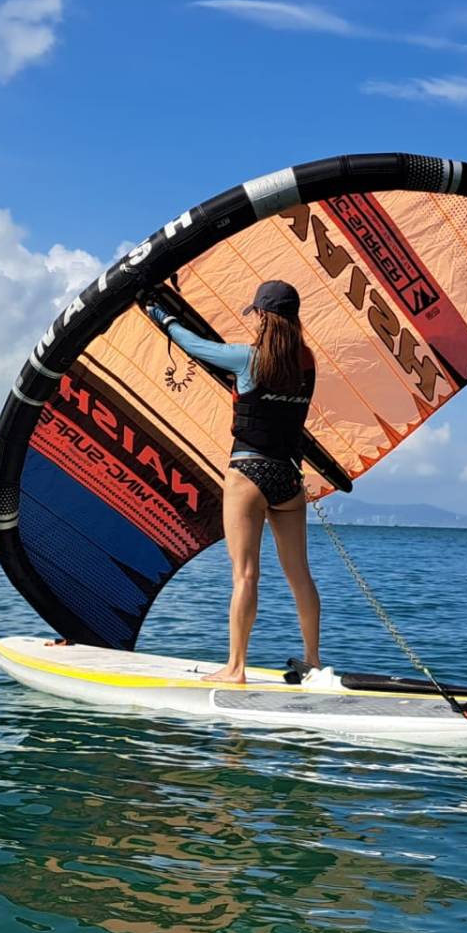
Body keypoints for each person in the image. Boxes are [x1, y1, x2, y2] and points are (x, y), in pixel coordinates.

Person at [143, 280, 322, 684]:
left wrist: (160, 315)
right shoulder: (307, 362)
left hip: (248, 474)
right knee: (300, 575)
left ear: (261, 316)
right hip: (288, 480)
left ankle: (236, 668)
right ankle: (313, 659)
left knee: (245, 574)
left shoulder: (248, 359)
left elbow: (194, 345)